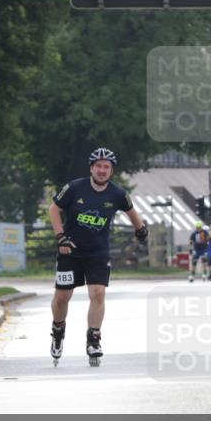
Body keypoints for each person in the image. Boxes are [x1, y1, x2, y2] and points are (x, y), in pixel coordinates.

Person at [48, 147, 148, 367]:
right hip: (69, 250)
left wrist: (140, 229)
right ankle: (58, 329)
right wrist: (60, 237)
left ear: (111, 171)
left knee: (98, 294)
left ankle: (93, 339)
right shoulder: (75, 188)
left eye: (107, 167)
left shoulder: (117, 194)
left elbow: (131, 211)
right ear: (91, 168)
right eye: (98, 166)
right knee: (63, 297)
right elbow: (53, 209)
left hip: (97, 252)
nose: (102, 170)